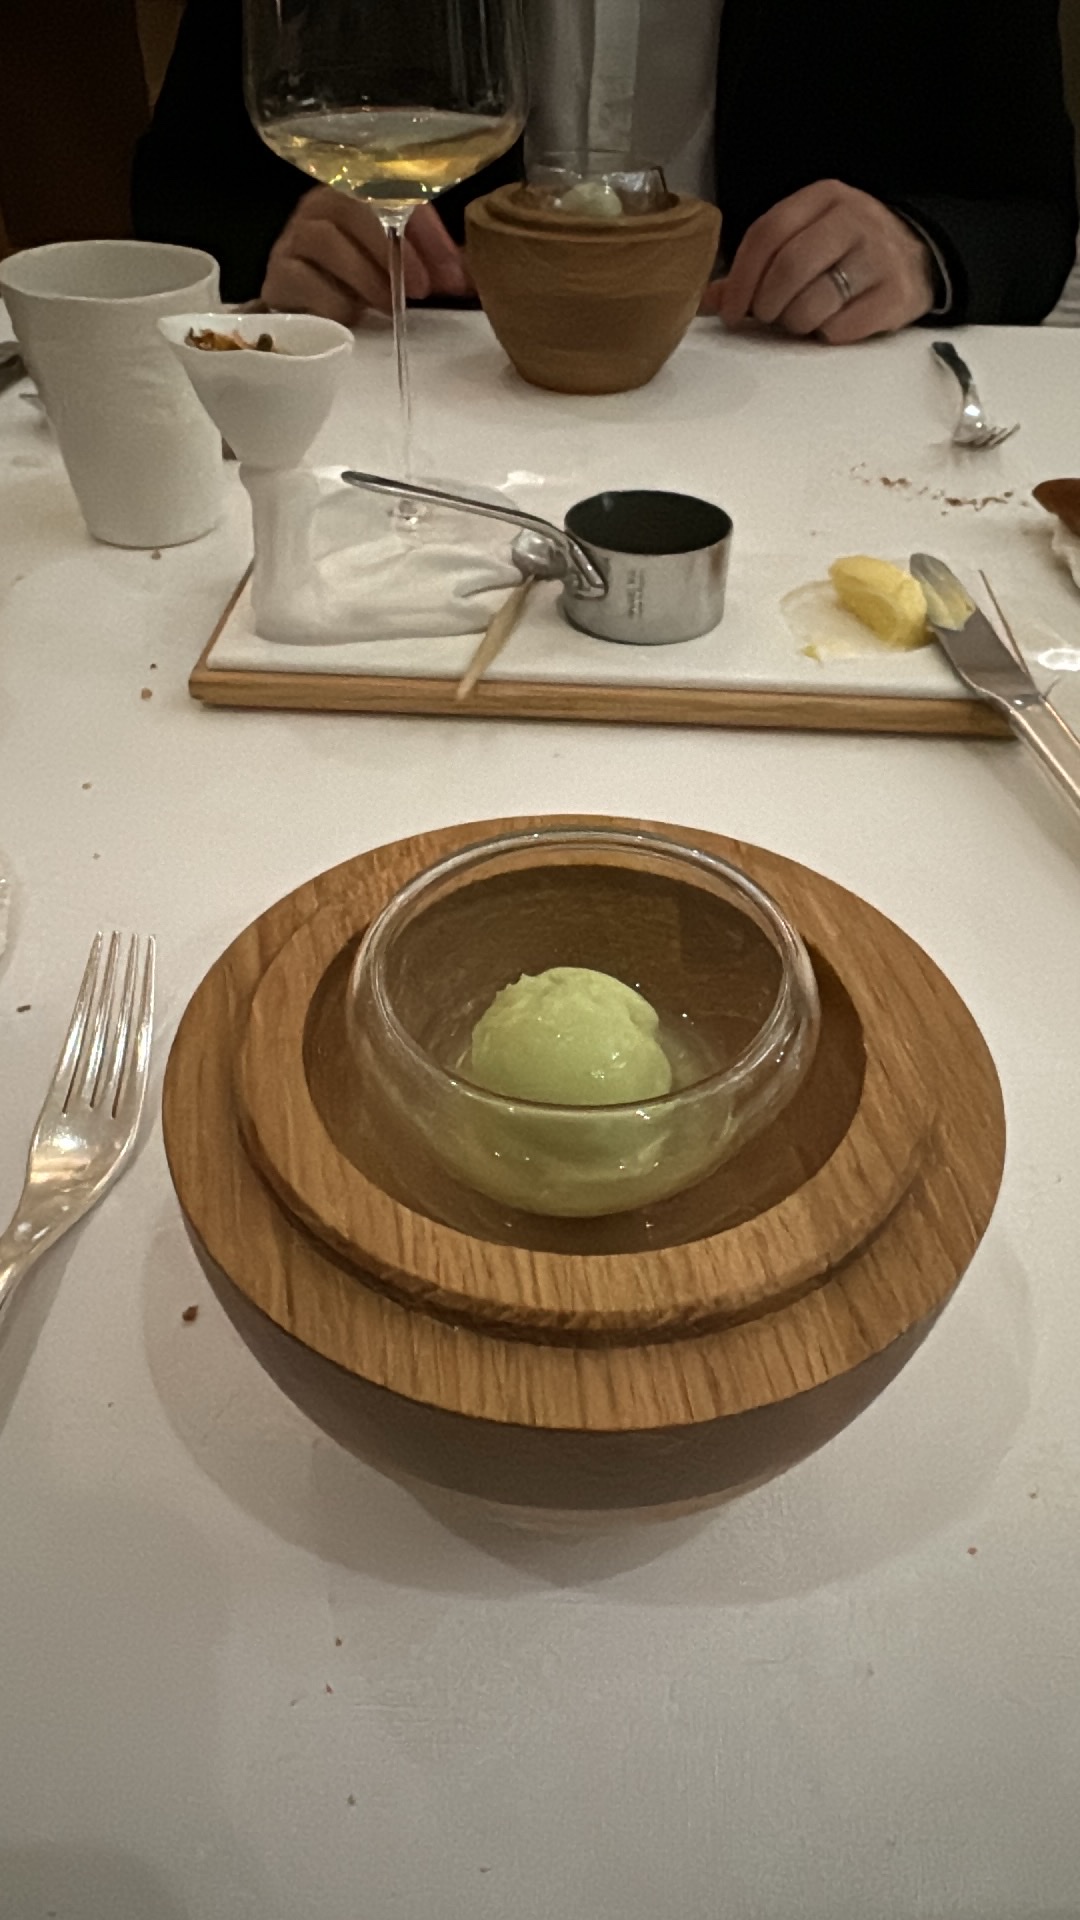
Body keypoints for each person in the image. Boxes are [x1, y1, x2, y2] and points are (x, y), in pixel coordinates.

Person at [133, 0, 1078, 342]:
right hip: (416, 401)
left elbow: (1032, 213)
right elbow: (183, 195)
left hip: (803, 405)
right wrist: (287, 250)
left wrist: (921, 248)